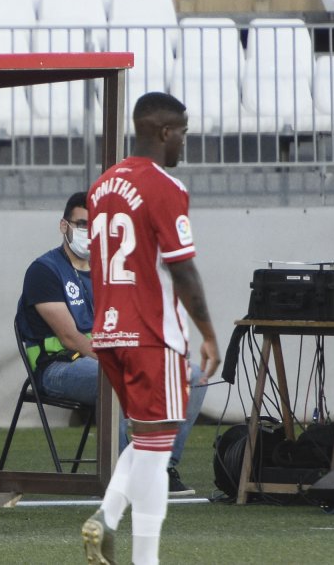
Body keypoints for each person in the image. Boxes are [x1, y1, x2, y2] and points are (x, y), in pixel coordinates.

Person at [80, 93, 220, 565]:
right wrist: (208, 333)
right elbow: (183, 270)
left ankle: (108, 517)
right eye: (182, 131)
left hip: (109, 331)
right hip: (151, 332)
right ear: (165, 131)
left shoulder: (101, 187)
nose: (183, 141)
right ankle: (140, 553)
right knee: (157, 455)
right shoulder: (164, 186)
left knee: (144, 441)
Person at [14, 192, 209, 496]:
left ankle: (162, 468)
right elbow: (70, 337)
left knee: (192, 375)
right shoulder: (44, 271)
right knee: (113, 378)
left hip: (102, 363)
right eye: (81, 224)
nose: (88, 234)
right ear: (63, 226)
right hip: (58, 368)